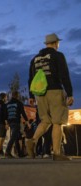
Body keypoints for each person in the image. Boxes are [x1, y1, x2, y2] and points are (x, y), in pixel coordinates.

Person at [28, 33, 74, 161]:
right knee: (57, 122)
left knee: (45, 120)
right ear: (55, 43)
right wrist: (69, 93)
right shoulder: (58, 55)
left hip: (40, 93)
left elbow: (31, 78)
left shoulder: (35, 59)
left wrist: (31, 95)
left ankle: (32, 141)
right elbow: (64, 75)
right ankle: (57, 153)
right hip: (55, 90)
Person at [5, 91, 29, 158]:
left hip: (10, 121)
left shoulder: (8, 104)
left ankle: (19, 153)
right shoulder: (19, 103)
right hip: (16, 121)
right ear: (17, 95)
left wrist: (6, 123)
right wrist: (27, 121)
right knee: (13, 137)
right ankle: (7, 151)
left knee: (16, 137)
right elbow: (23, 113)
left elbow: (6, 114)